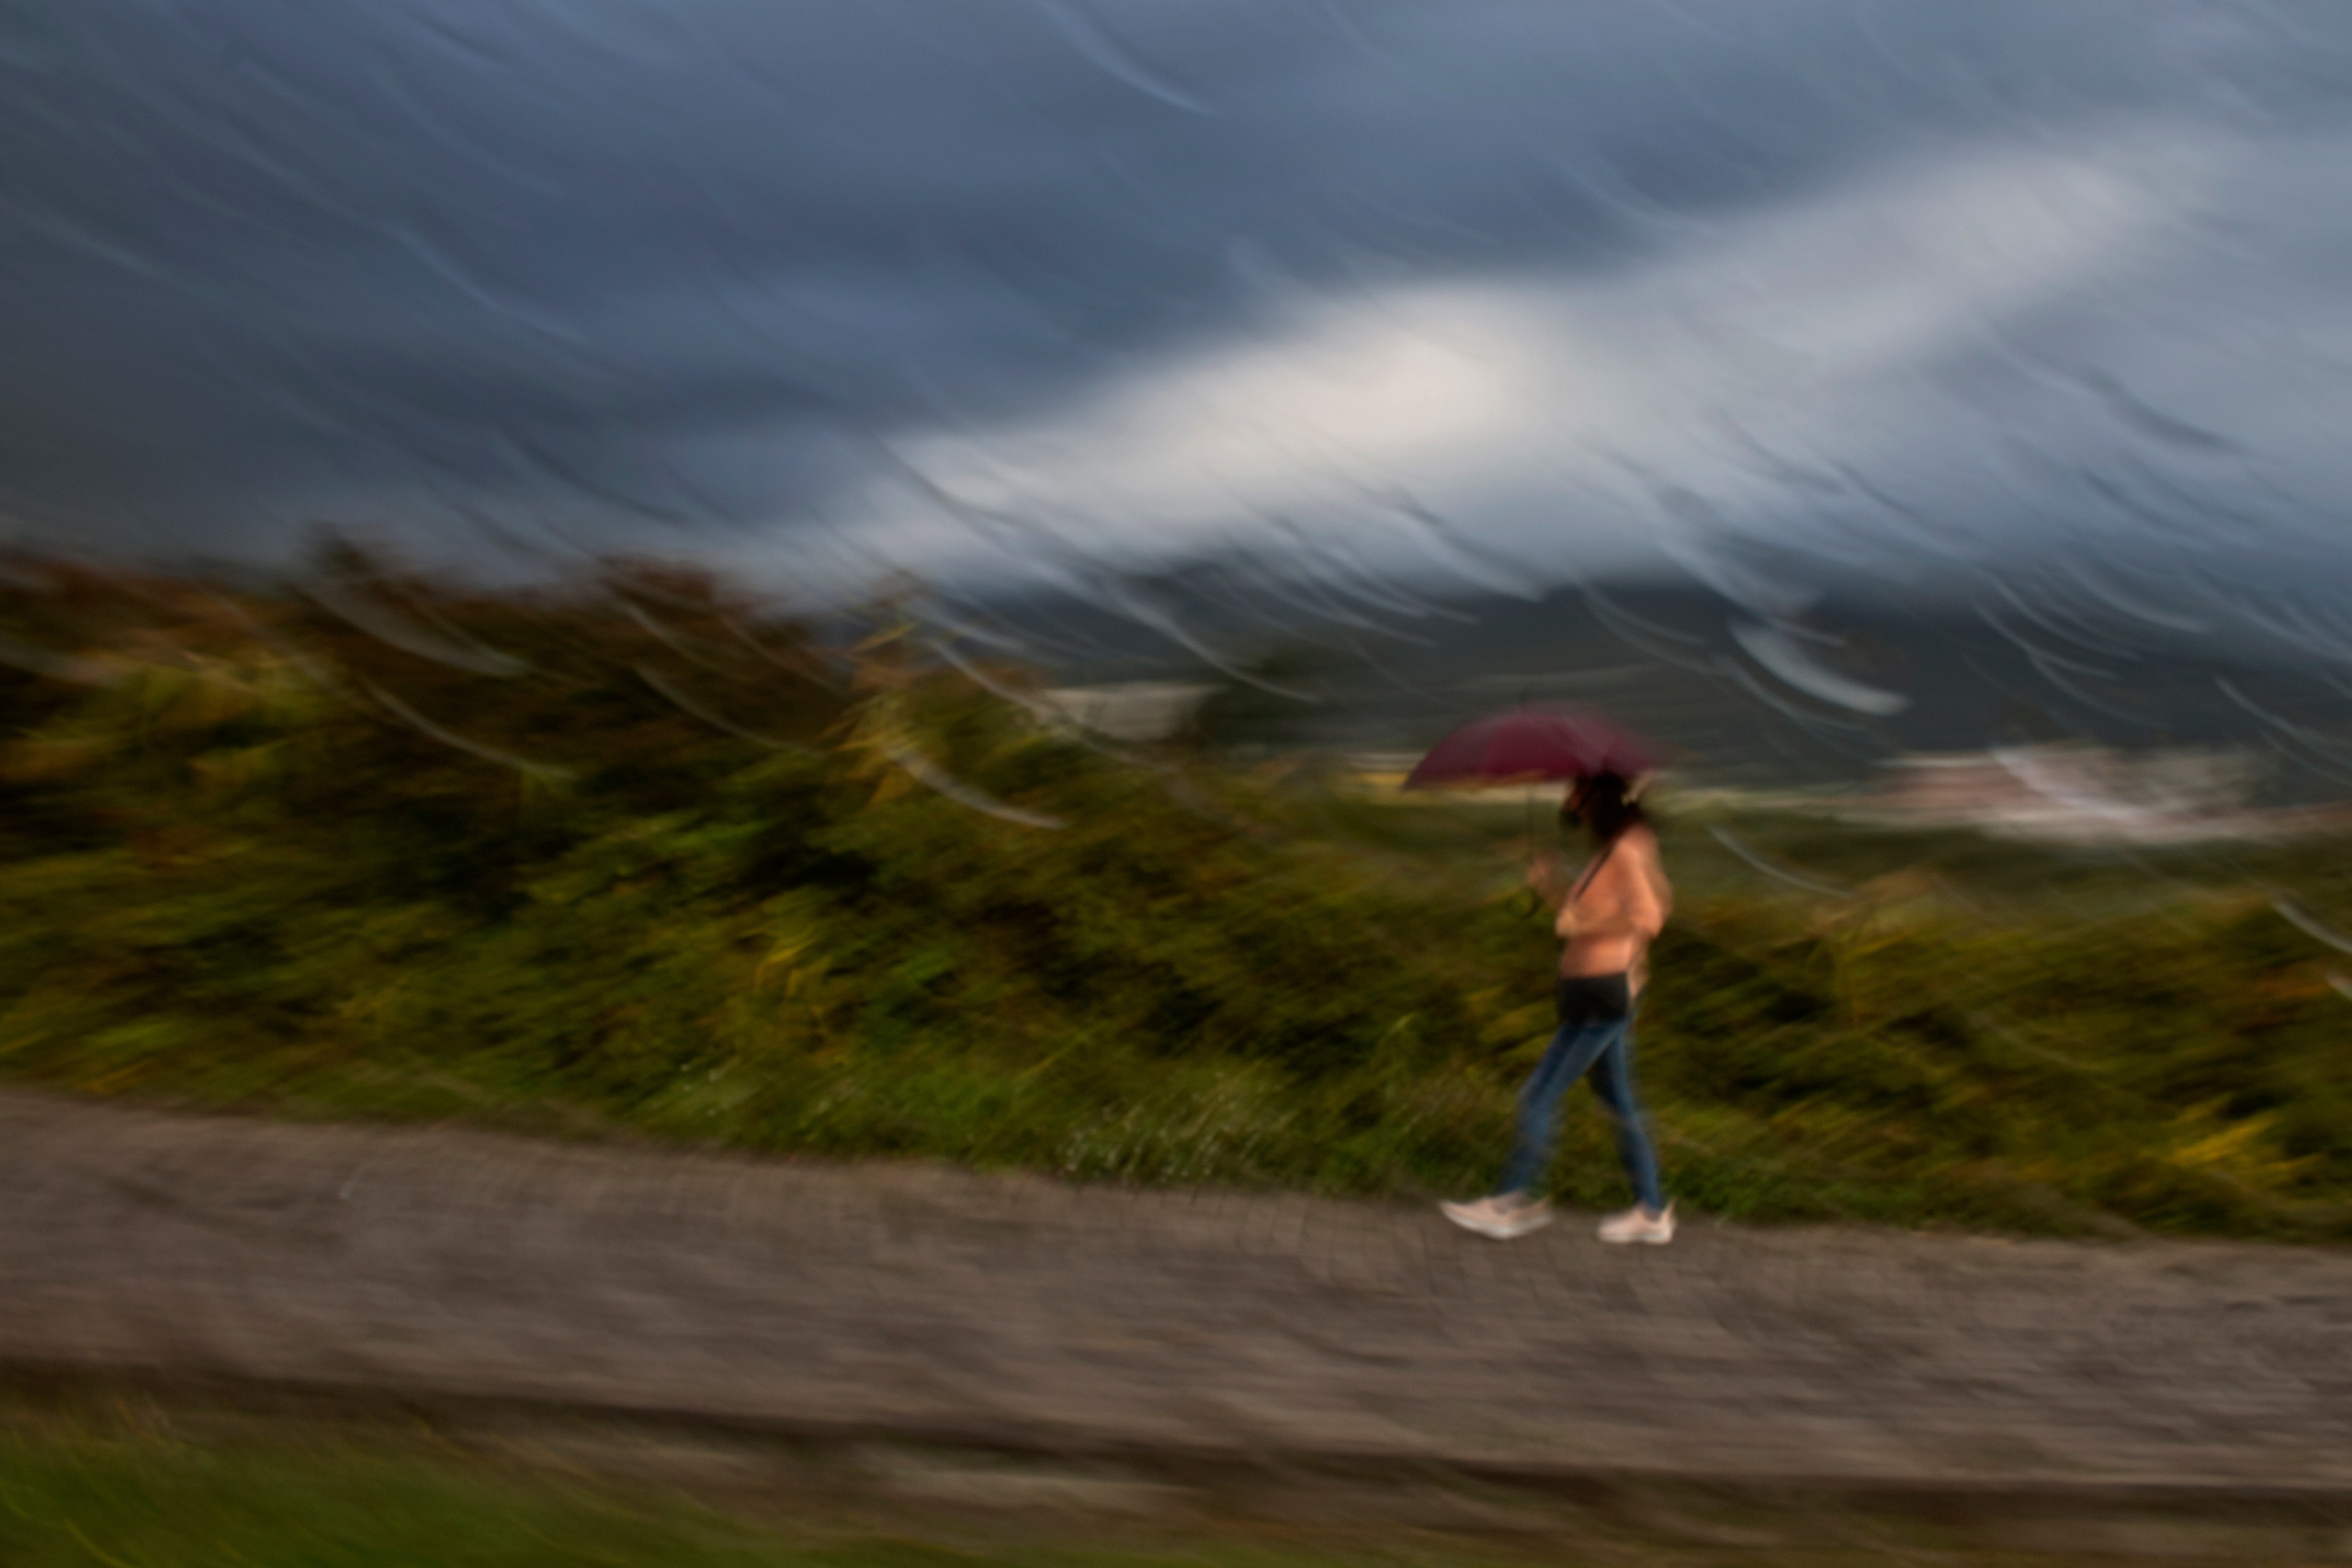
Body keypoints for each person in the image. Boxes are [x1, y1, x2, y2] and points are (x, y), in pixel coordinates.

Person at [1442, 771, 1675, 1244]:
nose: (1567, 799)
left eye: (1574, 790)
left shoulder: (1626, 849)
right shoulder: (1611, 850)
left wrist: (1580, 919)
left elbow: (1647, 917)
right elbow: (1577, 918)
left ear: (1594, 797)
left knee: (1538, 1094)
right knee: (1619, 1102)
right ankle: (1651, 1212)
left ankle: (1512, 1201)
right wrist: (1549, 886)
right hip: (1591, 993)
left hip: (1603, 997)